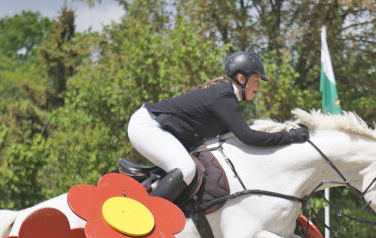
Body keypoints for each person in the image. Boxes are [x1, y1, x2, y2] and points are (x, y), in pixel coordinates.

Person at [127, 50, 310, 202]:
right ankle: (146, 215)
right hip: (148, 126)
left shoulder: (227, 98)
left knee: (193, 168)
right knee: (186, 169)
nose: (258, 86)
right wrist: (291, 136)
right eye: (257, 80)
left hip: (157, 127)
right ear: (241, 78)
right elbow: (248, 137)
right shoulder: (224, 96)